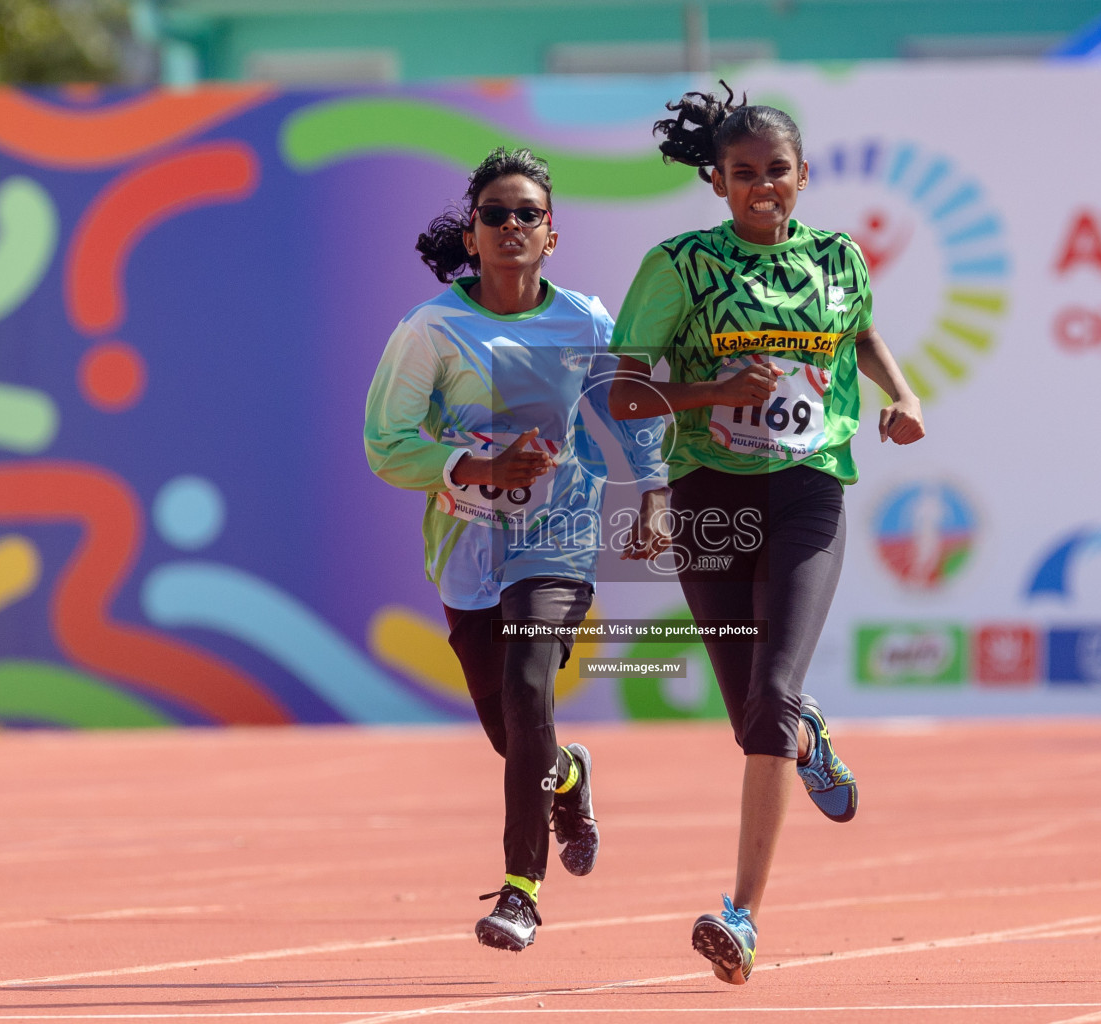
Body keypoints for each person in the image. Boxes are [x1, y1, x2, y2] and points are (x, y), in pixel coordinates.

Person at [607, 84, 926, 984]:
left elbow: (860, 336)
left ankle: (741, 915)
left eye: (776, 173)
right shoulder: (678, 265)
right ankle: (806, 736)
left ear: (803, 175)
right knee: (751, 710)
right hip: (709, 490)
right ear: (717, 182)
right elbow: (621, 392)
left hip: (810, 489)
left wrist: (902, 396)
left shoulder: (837, 257)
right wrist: (710, 396)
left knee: (769, 702)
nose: (761, 189)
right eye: (743, 175)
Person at [365, 147, 669, 953]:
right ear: (472, 232)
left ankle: (521, 892)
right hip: (467, 548)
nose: (510, 227)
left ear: (551, 235)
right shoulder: (432, 329)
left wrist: (655, 491)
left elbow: (632, 407)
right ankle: (567, 775)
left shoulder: (587, 321)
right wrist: (476, 467)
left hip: (558, 539)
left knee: (531, 685)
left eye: (526, 214)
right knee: (514, 735)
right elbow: (385, 443)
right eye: (494, 214)